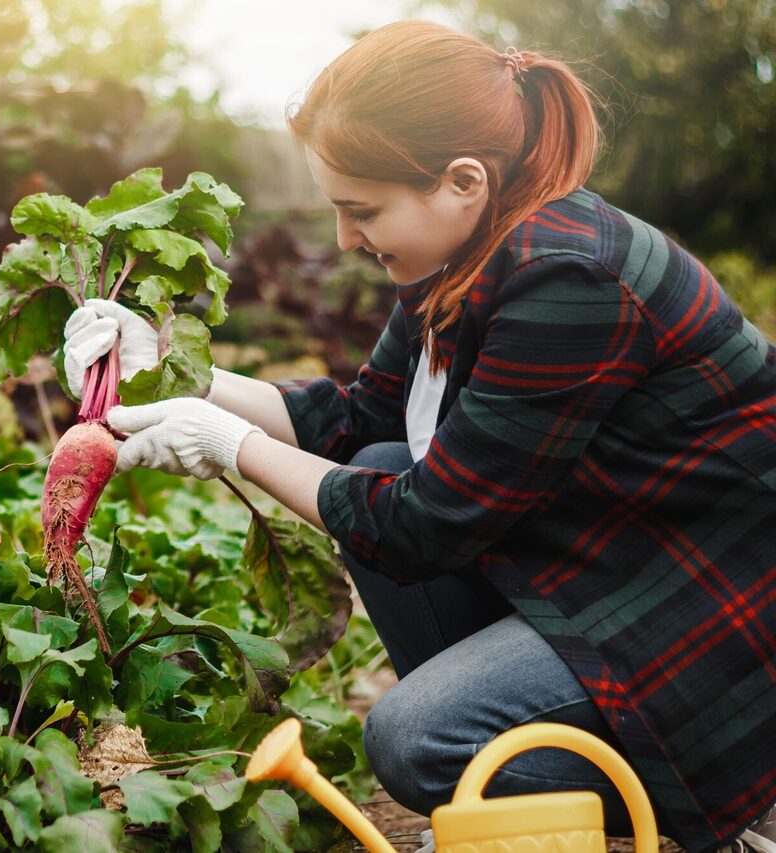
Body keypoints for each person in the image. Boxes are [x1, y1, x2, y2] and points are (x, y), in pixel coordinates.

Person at [60, 19, 776, 853]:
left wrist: (229, 445)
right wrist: (184, 374)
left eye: (360, 210)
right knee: (376, 460)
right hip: (627, 561)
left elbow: (425, 523)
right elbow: (358, 421)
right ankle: (501, 800)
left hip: (721, 621)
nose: (344, 239)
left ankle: (722, 807)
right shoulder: (469, 250)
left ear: (462, 181)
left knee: (417, 738)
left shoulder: (569, 277)